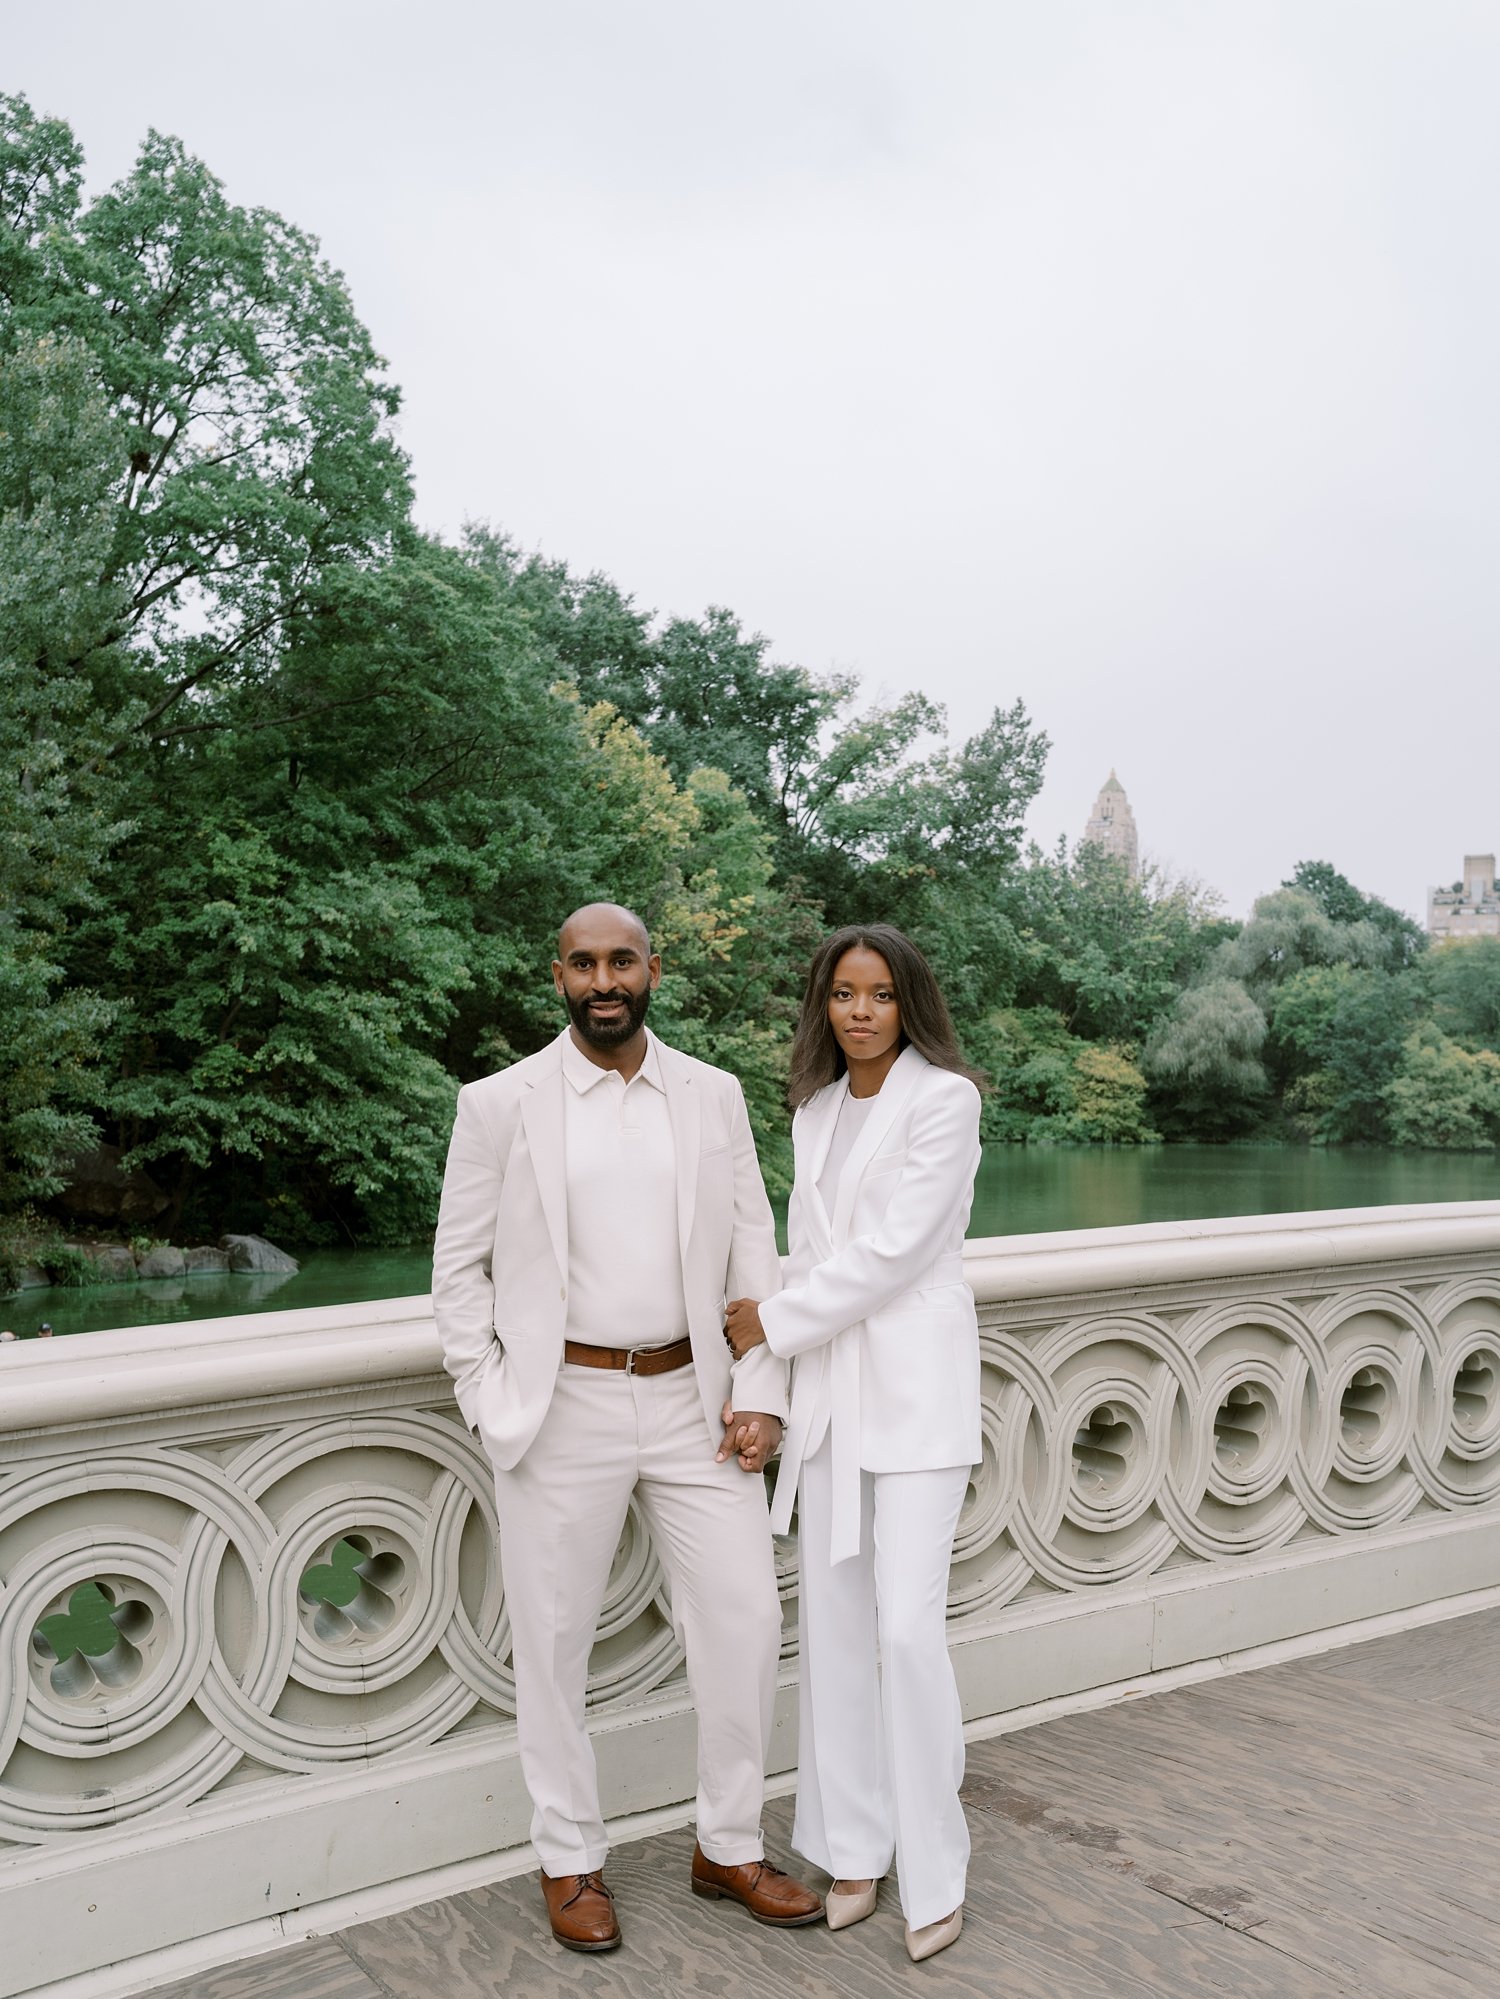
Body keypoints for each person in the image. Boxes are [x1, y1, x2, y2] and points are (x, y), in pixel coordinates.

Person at [432, 902, 823, 1953]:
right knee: (554, 1644)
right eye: (583, 963)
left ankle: (728, 1844)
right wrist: (488, 1396)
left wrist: (764, 1389)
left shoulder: (714, 1095)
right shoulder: (498, 1104)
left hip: (697, 1403)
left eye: (622, 961)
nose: (604, 979)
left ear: (655, 968)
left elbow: (756, 1256)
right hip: (562, 1409)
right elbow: (456, 1274)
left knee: (745, 1621)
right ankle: (569, 1859)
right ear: (556, 974)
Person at [725, 923, 983, 1963]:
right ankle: (855, 1848)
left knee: (910, 1631)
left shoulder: (945, 1099)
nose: (861, 1010)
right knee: (831, 1631)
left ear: (906, 1000)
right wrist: (773, 1383)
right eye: (843, 993)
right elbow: (806, 1248)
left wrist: (772, 1325)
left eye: (879, 993)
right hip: (833, 1400)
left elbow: (893, 1252)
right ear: (823, 1004)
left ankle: (937, 1867)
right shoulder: (816, 1111)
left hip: (916, 1398)